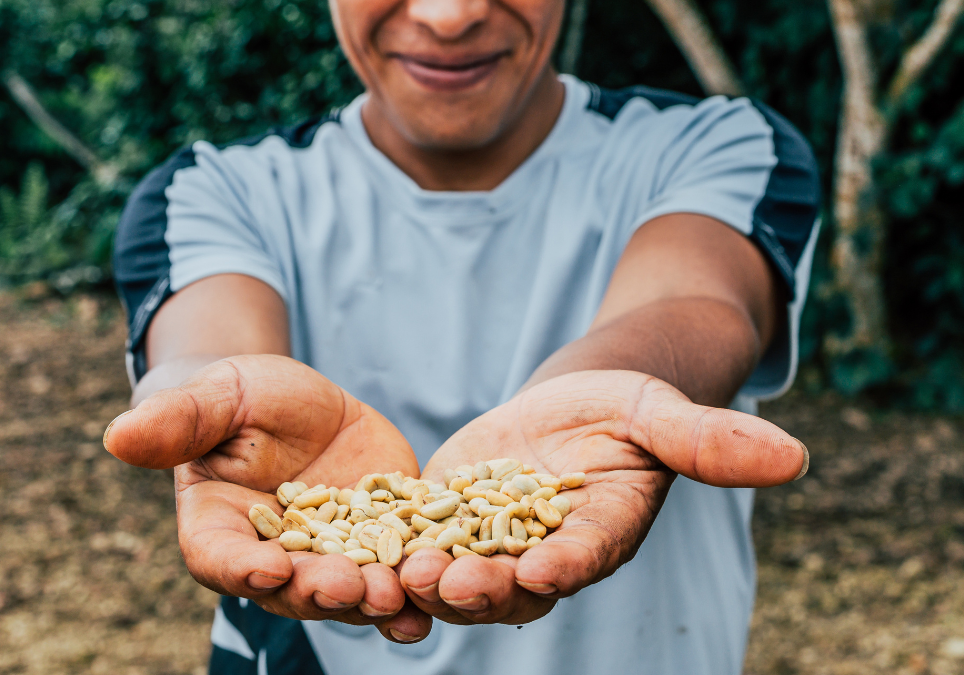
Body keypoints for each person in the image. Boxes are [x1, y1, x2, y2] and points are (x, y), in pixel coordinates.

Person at [102, 0, 820, 670]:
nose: (449, 16)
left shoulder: (718, 146)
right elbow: (203, 350)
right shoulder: (213, 189)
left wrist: (602, 393)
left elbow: (697, 296)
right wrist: (196, 398)